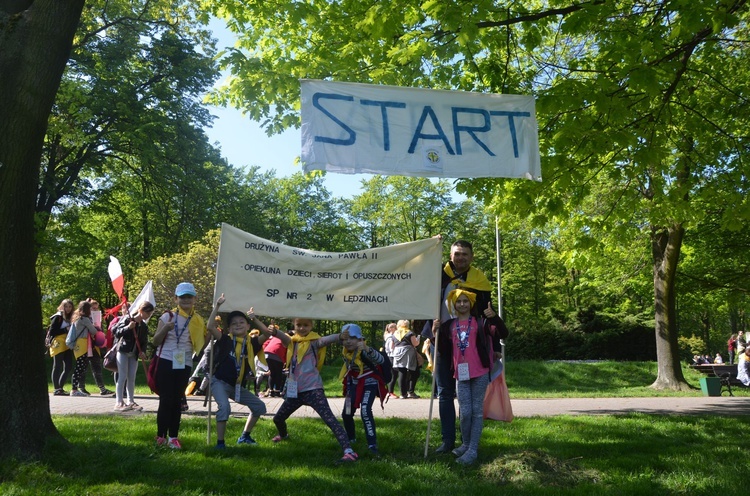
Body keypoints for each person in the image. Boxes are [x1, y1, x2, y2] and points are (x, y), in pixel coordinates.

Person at [424, 239, 494, 454]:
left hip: (470, 346)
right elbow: (424, 301)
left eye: (464, 254)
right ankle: (447, 440)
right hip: (443, 341)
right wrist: (429, 326)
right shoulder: (438, 276)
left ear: (471, 257)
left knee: (471, 400)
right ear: (450, 256)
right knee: (444, 392)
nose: (460, 257)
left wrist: (493, 341)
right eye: (457, 254)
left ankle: (468, 442)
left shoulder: (479, 280)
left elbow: (487, 313)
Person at [268, 315, 359, 463]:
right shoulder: (291, 342)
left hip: (313, 390)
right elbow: (280, 336)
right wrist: (272, 331)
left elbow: (326, 340)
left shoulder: (314, 343)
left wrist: (340, 336)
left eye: (306, 325)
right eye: (299, 325)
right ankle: (283, 436)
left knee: (330, 420)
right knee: (278, 419)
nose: (302, 328)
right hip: (295, 391)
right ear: (294, 325)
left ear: (311, 326)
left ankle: (349, 451)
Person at [434, 288, 508, 464]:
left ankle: (472, 450)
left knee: (476, 411)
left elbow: (503, 334)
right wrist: (435, 333)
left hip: (480, 371)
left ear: (471, 303)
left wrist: (494, 317)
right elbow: (443, 350)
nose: (462, 304)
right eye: (458, 301)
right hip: (461, 373)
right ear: (454, 304)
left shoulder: (481, 323)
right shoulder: (449, 326)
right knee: (465, 412)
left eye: (465, 301)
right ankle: (466, 444)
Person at [152, 282, 220, 449]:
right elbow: (155, 341)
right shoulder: (167, 316)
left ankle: (173, 437)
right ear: (176, 299)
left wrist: (210, 332)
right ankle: (160, 435)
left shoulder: (197, 320)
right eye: (182, 297)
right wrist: (165, 330)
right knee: (166, 400)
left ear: (194, 299)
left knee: (177, 401)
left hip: (184, 363)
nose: (186, 300)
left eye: (189, 296)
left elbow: (201, 347)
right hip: (166, 361)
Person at [205, 294, 272, 449]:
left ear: (248, 326)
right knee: (225, 408)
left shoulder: (252, 343)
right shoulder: (225, 340)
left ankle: (245, 436)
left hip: (236, 386)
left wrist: (254, 318)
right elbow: (209, 327)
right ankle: (220, 444)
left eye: (242, 322)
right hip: (219, 382)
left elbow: (268, 334)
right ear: (229, 328)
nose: (238, 325)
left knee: (259, 407)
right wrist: (217, 307)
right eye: (234, 324)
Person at [339, 323, 388, 455]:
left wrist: (367, 349)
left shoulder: (366, 350)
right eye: (345, 338)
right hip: (353, 384)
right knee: (346, 413)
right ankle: (351, 439)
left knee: (365, 411)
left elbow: (381, 360)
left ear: (360, 339)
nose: (348, 341)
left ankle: (372, 444)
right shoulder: (345, 351)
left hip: (369, 383)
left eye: (352, 338)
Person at [112, 300, 153, 411]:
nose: (149, 315)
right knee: (122, 376)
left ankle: (131, 401)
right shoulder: (127, 319)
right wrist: (128, 328)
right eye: (148, 313)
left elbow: (144, 341)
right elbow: (115, 331)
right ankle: (119, 402)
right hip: (123, 351)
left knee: (132, 377)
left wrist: (142, 351)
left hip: (134, 354)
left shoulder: (143, 326)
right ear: (141, 310)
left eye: (150, 314)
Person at [69, 300, 98, 397]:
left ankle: (75, 388)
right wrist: (95, 326)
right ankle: (74, 390)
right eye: (90, 308)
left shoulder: (77, 318)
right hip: (82, 344)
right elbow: (93, 331)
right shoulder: (84, 319)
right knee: (79, 367)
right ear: (87, 309)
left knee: (79, 366)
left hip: (78, 344)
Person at [86, 298, 115, 396]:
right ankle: (78, 388)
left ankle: (102, 389)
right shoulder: (83, 318)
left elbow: (100, 332)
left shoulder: (98, 318)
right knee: (82, 367)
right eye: (92, 309)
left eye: (96, 308)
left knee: (97, 367)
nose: (94, 310)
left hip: (96, 346)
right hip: (85, 345)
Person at [49, 299, 74, 395]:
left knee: (68, 366)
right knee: (57, 365)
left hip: (67, 343)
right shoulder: (58, 317)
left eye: (70, 307)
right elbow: (52, 332)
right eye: (66, 306)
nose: (68, 309)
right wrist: (64, 329)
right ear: (62, 306)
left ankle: (60, 387)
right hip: (58, 343)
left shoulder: (71, 317)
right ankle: (56, 388)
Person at [392, 320, 420, 399]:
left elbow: (391, 346)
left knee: (402, 373)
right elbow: (415, 344)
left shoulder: (395, 333)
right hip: (408, 353)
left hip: (397, 353)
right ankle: (410, 391)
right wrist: (418, 340)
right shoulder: (409, 333)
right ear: (407, 325)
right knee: (414, 372)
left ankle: (402, 394)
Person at [262, 323, 287, 397]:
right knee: (278, 373)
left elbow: (265, 343)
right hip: (277, 354)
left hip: (267, 353)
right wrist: (285, 362)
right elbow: (288, 352)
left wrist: (264, 351)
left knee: (272, 373)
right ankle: (277, 391)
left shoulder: (274, 337)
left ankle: (271, 391)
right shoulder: (287, 339)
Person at [382, 323, 399, 399]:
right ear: (393, 328)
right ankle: (389, 392)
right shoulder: (390, 337)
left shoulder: (388, 336)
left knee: (394, 374)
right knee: (393, 374)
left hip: (390, 356)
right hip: (391, 356)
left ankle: (390, 391)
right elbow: (390, 348)